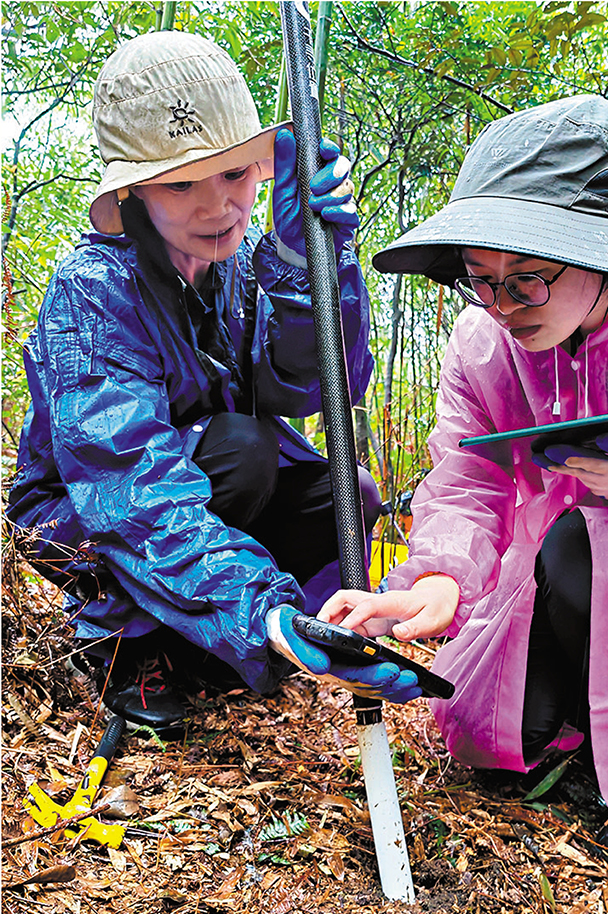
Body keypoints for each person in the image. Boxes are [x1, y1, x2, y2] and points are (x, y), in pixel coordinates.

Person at [319, 95, 608, 867]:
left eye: (529, 280)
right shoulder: (483, 342)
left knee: (594, 538)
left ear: (602, 252)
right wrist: (439, 577)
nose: (504, 307)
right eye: (482, 280)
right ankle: (575, 723)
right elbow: (469, 475)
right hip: (536, 576)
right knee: (498, 743)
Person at [8, 30, 422, 732]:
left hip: (210, 485)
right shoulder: (94, 291)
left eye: (235, 174)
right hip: (85, 513)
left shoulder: (232, 273)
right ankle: (129, 647)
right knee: (242, 449)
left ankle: (221, 640)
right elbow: (129, 486)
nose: (217, 206)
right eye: (180, 183)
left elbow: (317, 388)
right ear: (134, 190)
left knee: (349, 492)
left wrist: (306, 264)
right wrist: (260, 606)